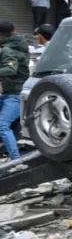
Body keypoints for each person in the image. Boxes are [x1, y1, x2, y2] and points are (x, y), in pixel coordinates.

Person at [0, 21, 30, 162]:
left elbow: (11, 69)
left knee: (2, 125)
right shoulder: (18, 44)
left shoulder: (9, 49)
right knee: (12, 125)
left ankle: (16, 159)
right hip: (11, 93)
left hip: (15, 94)